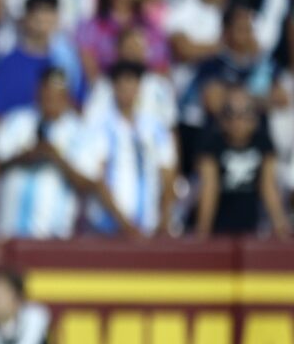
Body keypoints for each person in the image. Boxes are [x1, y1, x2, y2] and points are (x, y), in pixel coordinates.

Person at [0, 68, 136, 240]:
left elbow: (87, 182)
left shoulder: (80, 132)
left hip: (54, 236)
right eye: (46, 94)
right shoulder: (17, 121)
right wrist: (27, 156)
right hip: (8, 232)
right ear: (38, 92)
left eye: (56, 95)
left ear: (66, 97)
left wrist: (56, 158)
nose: (50, 100)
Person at [85, 60, 177, 236]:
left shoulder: (155, 128)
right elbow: (98, 178)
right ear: (114, 88)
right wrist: (124, 224)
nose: (127, 89)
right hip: (109, 228)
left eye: (132, 82)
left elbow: (168, 175)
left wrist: (164, 219)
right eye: (122, 83)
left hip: (149, 227)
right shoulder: (100, 127)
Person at [195, 85, 290, 237]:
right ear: (222, 119)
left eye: (245, 113)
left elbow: (268, 187)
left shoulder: (263, 143)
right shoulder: (212, 145)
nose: (238, 121)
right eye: (231, 114)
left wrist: (280, 227)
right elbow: (209, 189)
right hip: (219, 228)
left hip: (253, 227)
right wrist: (202, 232)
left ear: (254, 118)